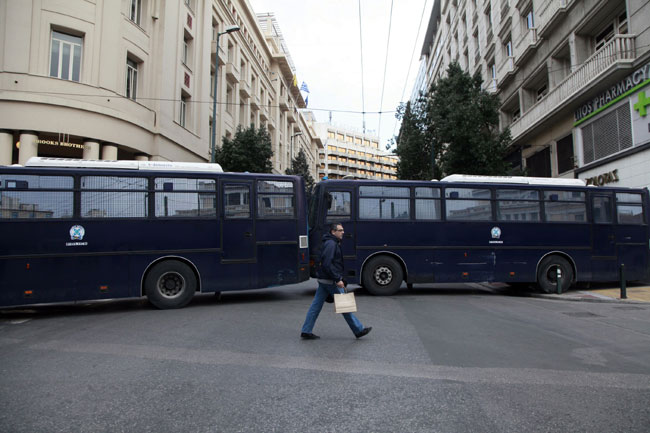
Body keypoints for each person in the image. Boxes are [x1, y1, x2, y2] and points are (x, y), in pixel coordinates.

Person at [300, 222, 372, 340]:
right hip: (330, 280)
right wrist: (337, 279)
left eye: (343, 230)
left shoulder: (329, 242)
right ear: (333, 232)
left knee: (315, 306)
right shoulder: (331, 244)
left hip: (324, 280)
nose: (343, 232)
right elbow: (328, 264)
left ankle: (306, 330)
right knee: (345, 305)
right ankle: (358, 329)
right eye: (340, 230)